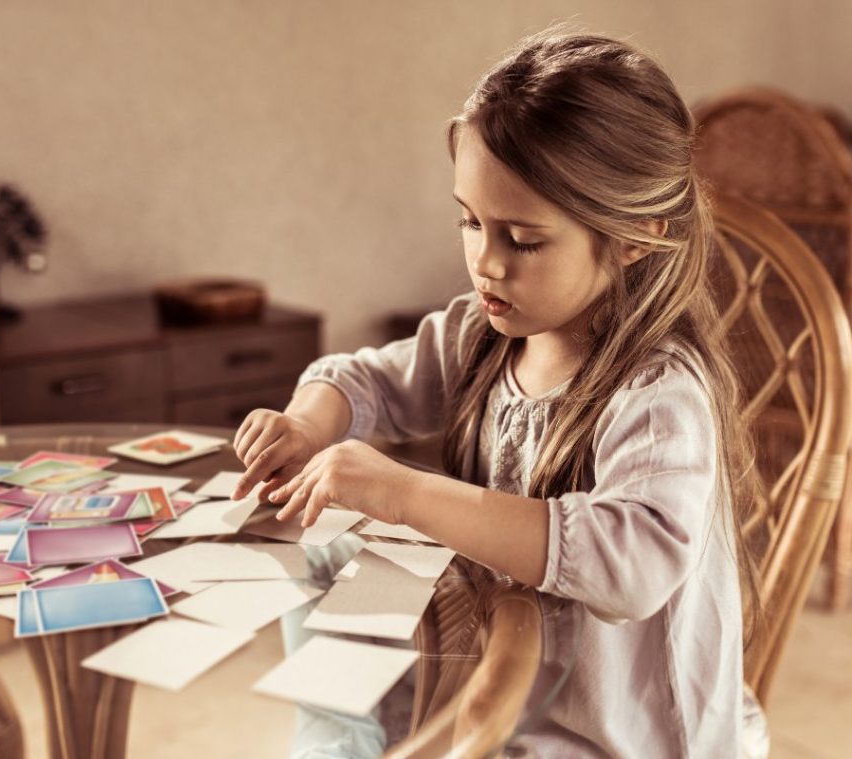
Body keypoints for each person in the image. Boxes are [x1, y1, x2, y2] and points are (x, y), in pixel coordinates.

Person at [232, 26, 760, 758]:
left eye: (522, 238)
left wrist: (404, 493)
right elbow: (362, 378)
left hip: (618, 734)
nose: (485, 262)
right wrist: (304, 422)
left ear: (636, 234)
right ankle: (339, 739)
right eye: (470, 221)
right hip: (503, 678)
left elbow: (630, 567)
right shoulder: (479, 334)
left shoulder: (658, 392)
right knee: (326, 565)